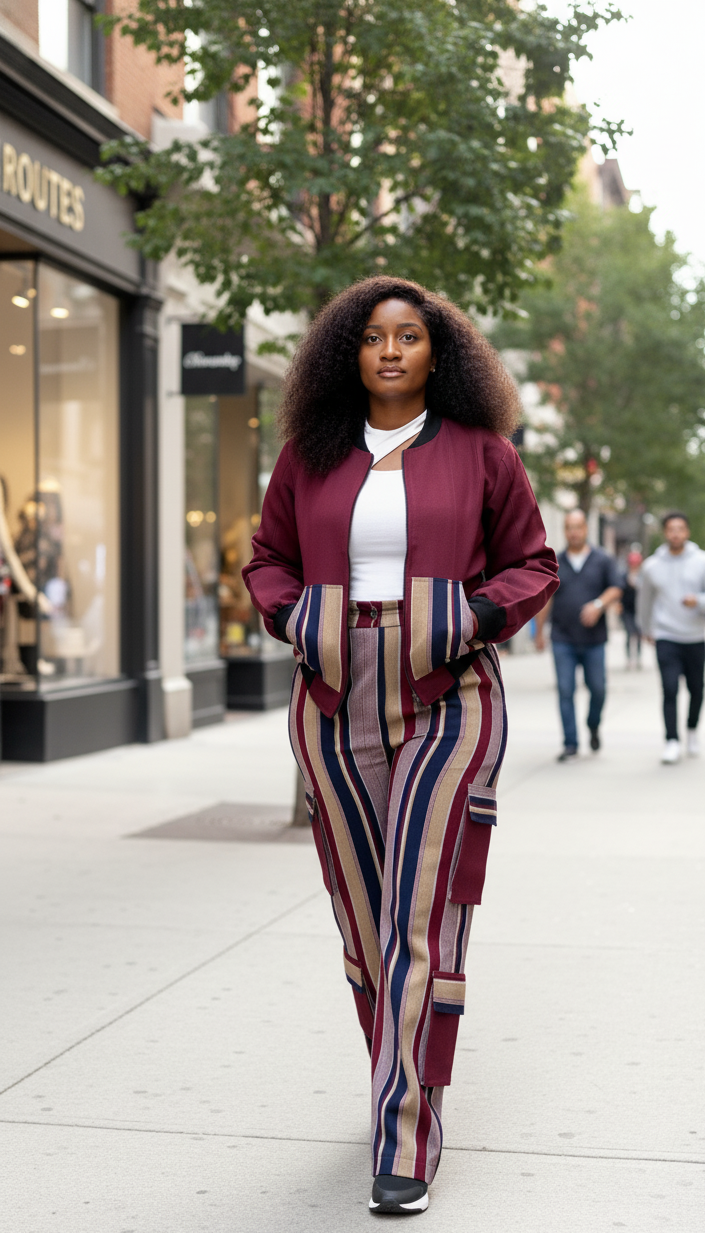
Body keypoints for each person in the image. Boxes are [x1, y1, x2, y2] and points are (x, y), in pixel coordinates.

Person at [243, 276, 558, 1216]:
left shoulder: (483, 452)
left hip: (447, 691)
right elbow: (266, 556)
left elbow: (532, 561)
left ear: (438, 352)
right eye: (373, 337)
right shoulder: (310, 452)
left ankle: (406, 1132)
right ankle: (401, 1075)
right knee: (363, 916)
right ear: (347, 352)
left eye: (409, 336)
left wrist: (467, 614)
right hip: (332, 693)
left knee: (420, 912)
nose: (389, 351)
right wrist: (295, 619)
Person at [535, 510, 622, 761]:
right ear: (564, 531)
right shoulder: (555, 562)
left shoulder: (602, 559)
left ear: (586, 529)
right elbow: (546, 599)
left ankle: (593, 724)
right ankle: (570, 743)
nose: (574, 531)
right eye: (569, 527)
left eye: (578, 526)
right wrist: (539, 633)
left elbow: (616, 588)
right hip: (563, 638)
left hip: (594, 640)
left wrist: (598, 605)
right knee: (565, 690)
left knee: (598, 689)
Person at [637, 511, 705, 764]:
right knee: (669, 688)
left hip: (697, 636)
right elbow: (645, 601)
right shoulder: (652, 565)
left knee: (697, 689)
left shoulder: (701, 561)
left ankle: (691, 729)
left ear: (687, 532)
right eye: (671, 529)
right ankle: (672, 740)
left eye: (680, 529)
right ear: (665, 533)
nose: (675, 533)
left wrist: (697, 600)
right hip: (666, 635)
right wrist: (645, 629)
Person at [620, 549, 643, 670]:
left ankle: (638, 658)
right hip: (627, 609)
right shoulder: (624, 575)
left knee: (639, 635)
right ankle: (629, 659)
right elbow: (619, 591)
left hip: (639, 609)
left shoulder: (643, 575)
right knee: (630, 634)